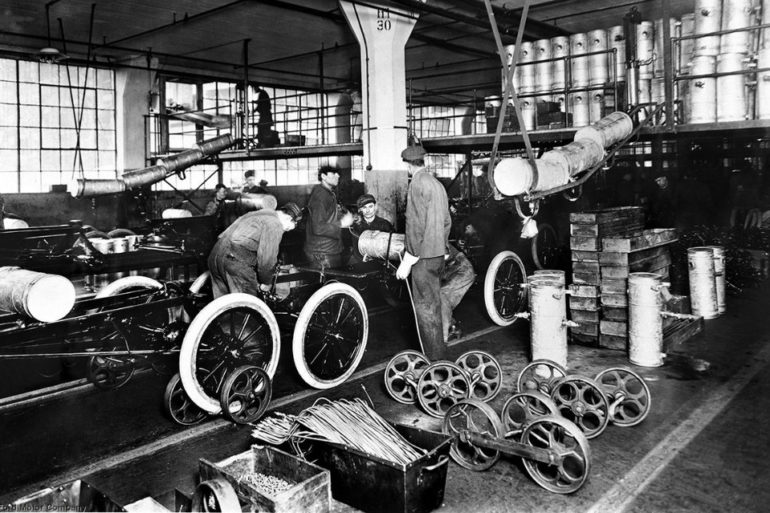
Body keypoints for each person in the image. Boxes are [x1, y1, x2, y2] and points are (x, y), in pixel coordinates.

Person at [396, 143, 452, 360]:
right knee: (434, 304)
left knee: (425, 309)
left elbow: (414, 224)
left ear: (408, 166)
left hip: (423, 258)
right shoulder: (437, 184)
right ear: (423, 161)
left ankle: (435, 362)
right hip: (438, 255)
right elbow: (447, 221)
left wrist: (408, 259)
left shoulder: (417, 184)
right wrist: (443, 247)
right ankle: (439, 354)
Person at [207, 203, 302, 299]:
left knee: (224, 306)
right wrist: (266, 282)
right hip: (234, 262)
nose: (285, 231)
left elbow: (223, 235)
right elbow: (266, 260)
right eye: (287, 229)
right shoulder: (275, 224)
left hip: (215, 255)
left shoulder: (257, 214)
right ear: (289, 219)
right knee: (247, 306)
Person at [304, 165, 354, 269]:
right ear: (323, 176)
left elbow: (328, 214)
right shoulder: (321, 196)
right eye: (333, 173)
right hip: (322, 252)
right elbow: (318, 227)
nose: (338, 176)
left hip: (328, 249)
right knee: (330, 283)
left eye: (338, 173)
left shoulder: (328, 193)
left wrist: (344, 216)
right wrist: (342, 223)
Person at [440, 243, 476, 343]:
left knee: (442, 295)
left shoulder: (435, 239)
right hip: (451, 271)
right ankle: (454, 328)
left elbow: (443, 257)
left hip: (463, 270)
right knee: (438, 297)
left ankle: (443, 337)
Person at [349, 193, 394, 265]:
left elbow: (392, 248)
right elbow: (354, 249)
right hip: (361, 263)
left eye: (370, 206)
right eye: (364, 207)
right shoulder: (356, 226)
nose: (368, 210)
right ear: (360, 210)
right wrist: (362, 261)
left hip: (381, 264)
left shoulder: (385, 225)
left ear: (375, 207)